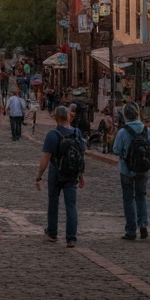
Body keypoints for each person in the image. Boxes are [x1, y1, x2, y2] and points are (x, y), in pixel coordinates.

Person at [35, 105, 86, 247]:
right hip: (72, 174)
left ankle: (52, 232)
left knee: (53, 203)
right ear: (68, 116)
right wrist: (81, 175)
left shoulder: (53, 135)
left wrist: (39, 176)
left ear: (55, 118)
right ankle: (71, 237)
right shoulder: (77, 133)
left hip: (56, 172)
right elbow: (80, 156)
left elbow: (46, 157)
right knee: (71, 205)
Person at [112, 102, 150, 241]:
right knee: (141, 196)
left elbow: (116, 149)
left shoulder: (123, 131)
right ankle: (143, 224)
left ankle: (131, 230)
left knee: (128, 198)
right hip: (144, 170)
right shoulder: (148, 130)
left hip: (127, 169)